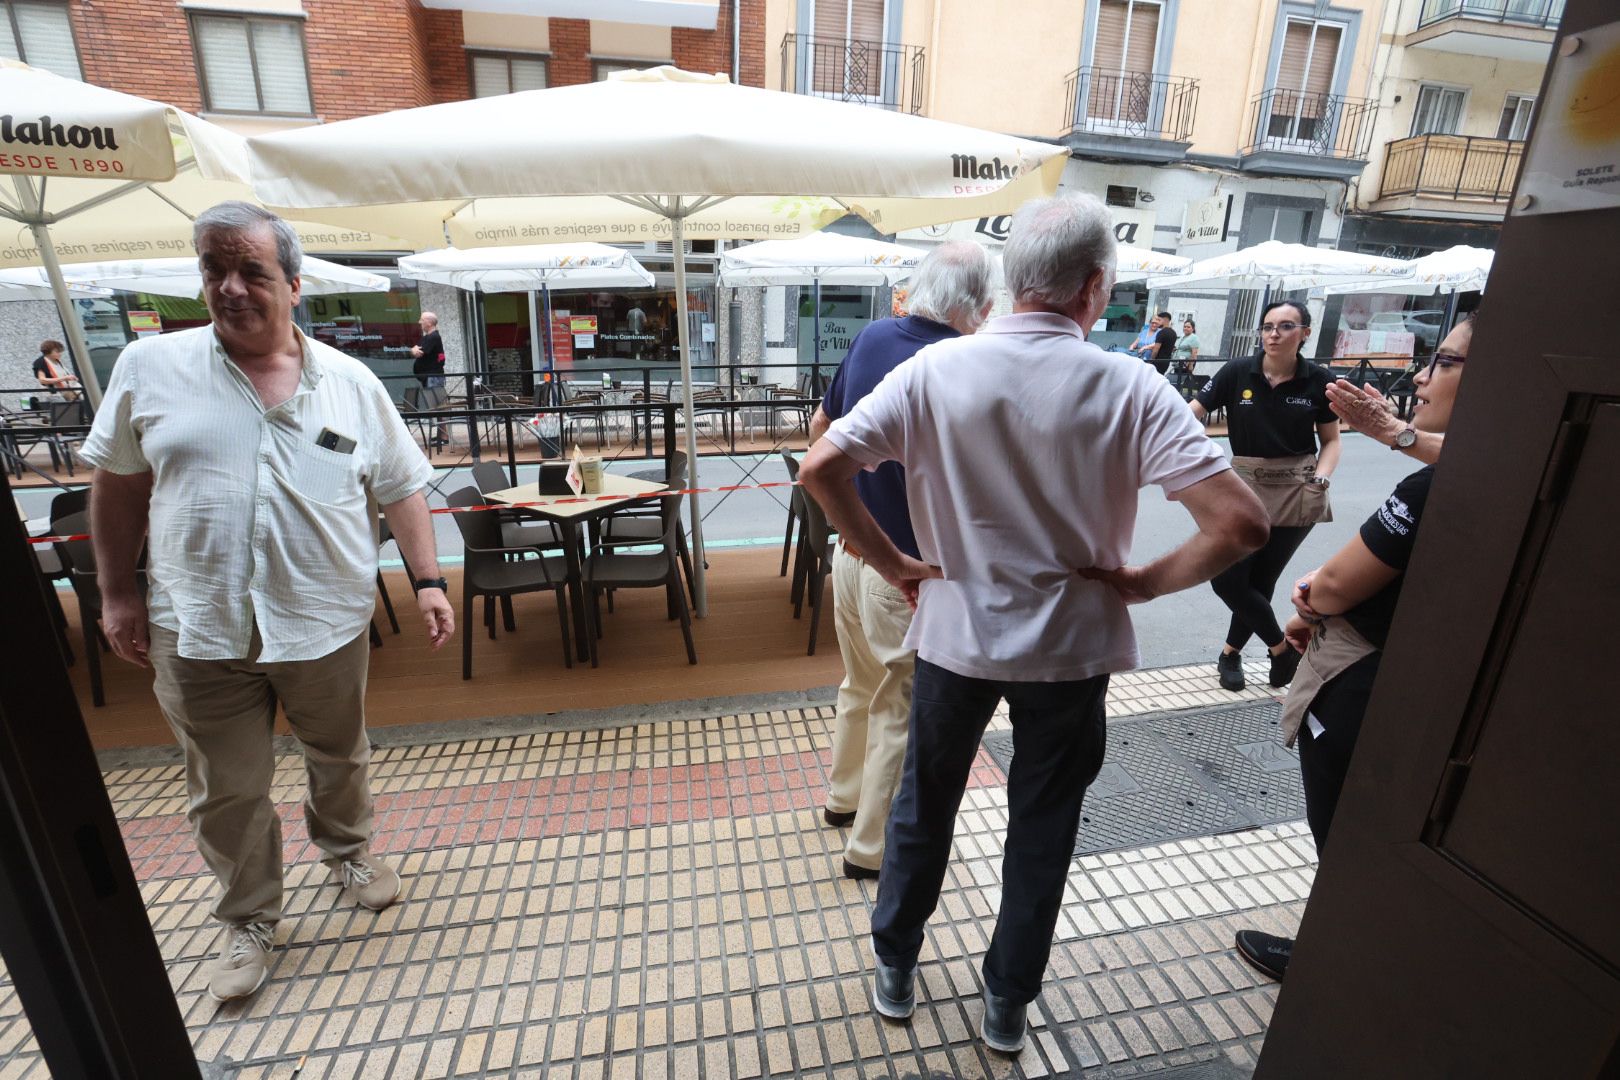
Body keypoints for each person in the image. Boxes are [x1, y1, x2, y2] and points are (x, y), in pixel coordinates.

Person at [800, 193, 1268, 1056]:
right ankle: (1007, 1003)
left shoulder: (934, 372)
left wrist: (893, 562)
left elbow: (820, 467)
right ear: (1095, 287)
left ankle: (896, 965)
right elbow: (1241, 524)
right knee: (1043, 825)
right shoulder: (1130, 385)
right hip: (1072, 651)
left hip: (955, 639)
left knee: (923, 807)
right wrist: (1144, 584)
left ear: (1012, 282)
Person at [79, 201, 456, 1004]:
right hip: (197, 622)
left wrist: (428, 581)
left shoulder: (350, 381)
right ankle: (249, 916)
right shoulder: (149, 367)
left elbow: (400, 487)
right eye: (214, 269)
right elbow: (117, 488)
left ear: (292, 283)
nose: (230, 287)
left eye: (251, 270)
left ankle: (348, 851)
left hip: (324, 618)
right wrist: (116, 594)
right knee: (225, 787)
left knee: (338, 752)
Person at [1233, 316, 1473, 982]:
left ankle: (1337, 963)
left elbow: (1336, 585)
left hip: (1362, 677)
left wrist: (1313, 598)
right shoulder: (1510, 469)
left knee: (1342, 828)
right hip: (1421, 677)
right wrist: (1397, 433)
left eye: (1444, 361)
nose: (1421, 376)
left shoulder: (1433, 487)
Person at [806, 241, 994, 883]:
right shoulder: (960, 364)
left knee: (858, 686)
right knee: (899, 705)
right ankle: (870, 847)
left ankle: (842, 798)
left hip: (853, 556)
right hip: (906, 571)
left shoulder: (872, 337)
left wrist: (857, 511)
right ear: (978, 303)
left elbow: (821, 430)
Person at [1191, 300, 1341, 692]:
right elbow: (1190, 415)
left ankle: (1230, 654)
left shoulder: (1318, 380)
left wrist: (1321, 479)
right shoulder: (1237, 371)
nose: (1274, 334)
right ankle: (1280, 649)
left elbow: (1331, 441)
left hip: (1298, 488)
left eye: (1286, 326)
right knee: (1226, 578)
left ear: (1305, 333)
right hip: (1243, 487)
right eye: (1268, 326)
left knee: (1261, 580)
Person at [410, 311, 445, 389]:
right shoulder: (426, 337)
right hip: (429, 377)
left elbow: (418, 352)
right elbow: (415, 350)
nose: (419, 322)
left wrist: (413, 350)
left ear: (429, 323)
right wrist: (413, 350)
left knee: (434, 396)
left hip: (433, 377)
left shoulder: (434, 337)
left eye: (422, 320)